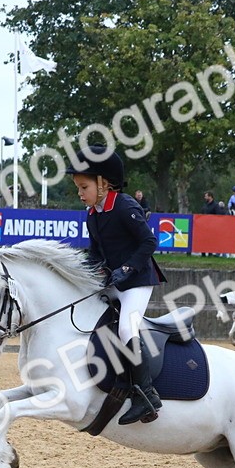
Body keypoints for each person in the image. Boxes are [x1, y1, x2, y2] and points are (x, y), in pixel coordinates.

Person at [67, 145, 165, 425]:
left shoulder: (124, 206)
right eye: (78, 187)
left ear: (103, 183)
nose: (80, 193)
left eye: (83, 187)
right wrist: (90, 266)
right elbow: (97, 251)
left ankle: (146, 395)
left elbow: (149, 242)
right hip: (114, 280)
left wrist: (126, 268)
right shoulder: (92, 214)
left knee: (126, 327)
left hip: (137, 280)